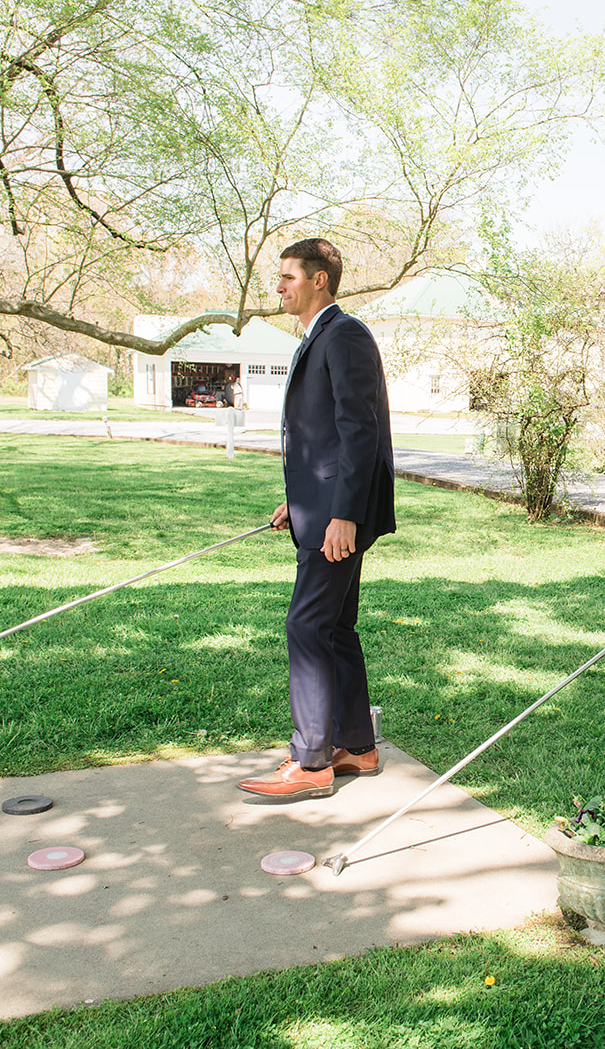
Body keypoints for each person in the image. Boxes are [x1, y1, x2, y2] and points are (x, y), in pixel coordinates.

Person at [238, 238, 396, 797]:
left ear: (319, 280)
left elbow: (360, 430)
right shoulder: (319, 337)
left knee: (306, 625)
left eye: (287, 277)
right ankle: (357, 747)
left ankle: (310, 764)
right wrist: (301, 499)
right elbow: (321, 439)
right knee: (333, 628)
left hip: (340, 520)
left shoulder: (344, 333)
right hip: (321, 510)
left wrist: (344, 515)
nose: (279, 287)